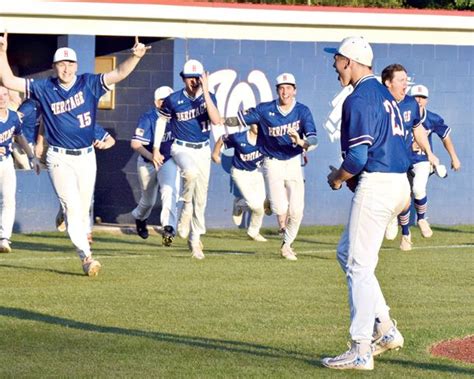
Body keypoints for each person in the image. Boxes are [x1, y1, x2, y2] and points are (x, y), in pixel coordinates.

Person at [0, 32, 149, 276]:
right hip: (59, 157)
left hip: (86, 156)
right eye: (61, 63)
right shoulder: (44, 87)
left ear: (76, 66)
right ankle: (86, 257)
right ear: (54, 66)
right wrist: (2, 52)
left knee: (80, 208)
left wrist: (136, 57)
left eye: (70, 64)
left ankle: (63, 211)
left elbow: (119, 74)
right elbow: (7, 79)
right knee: (73, 209)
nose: (66, 68)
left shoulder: (88, 83)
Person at [323, 36, 412, 370]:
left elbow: (358, 156)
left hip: (378, 183)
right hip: (398, 182)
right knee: (348, 255)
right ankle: (385, 329)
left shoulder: (359, 98)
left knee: (359, 267)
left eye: (337, 60)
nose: (334, 65)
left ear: (350, 61)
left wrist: (337, 178)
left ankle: (361, 348)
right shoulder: (386, 95)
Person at [224, 73, 317, 261]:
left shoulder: (302, 111)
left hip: (293, 161)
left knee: (297, 211)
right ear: (277, 91)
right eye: (281, 88)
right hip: (272, 161)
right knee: (279, 207)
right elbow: (239, 120)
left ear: (295, 89)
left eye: (289, 87)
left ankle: (287, 245)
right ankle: (270, 203)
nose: (285, 92)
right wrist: (220, 118)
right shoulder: (265, 110)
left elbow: (314, 139)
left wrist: (300, 141)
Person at [152, 60, 221, 260]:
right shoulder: (173, 99)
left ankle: (195, 239)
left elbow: (216, 120)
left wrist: (206, 92)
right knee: (189, 173)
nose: (194, 81)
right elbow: (161, 121)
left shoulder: (209, 97)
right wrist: (156, 148)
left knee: (202, 198)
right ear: (183, 78)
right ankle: (185, 207)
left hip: (203, 149)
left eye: (197, 77)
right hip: (180, 146)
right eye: (190, 77)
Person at [381, 64, 439, 251]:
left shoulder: (410, 104)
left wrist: (429, 153)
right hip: (383, 160)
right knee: (392, 198)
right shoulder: (378, 102)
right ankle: (391, 219)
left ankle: (406, 232)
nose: (405, 84)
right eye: (401, 80)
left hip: (404, 159)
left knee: (406, 196)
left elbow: (417, 129)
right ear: (388, 83)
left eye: (406, 80)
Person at [409, 84, 461, 237]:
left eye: (423, 97)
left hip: (422, 159)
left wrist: (454, 157)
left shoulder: (432, 118)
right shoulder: (401, 115)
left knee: (418, 189)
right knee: (402, 197)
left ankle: (422, 219)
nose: (419, 100)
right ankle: (399, 227)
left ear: (427, 100)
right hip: (402, 160)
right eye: (416, 97)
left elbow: (445, 137)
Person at [131, 85, 180, 247]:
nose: (166, 103)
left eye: (169, 100)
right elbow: (135, 143)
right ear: (156, 103)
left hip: (168, 160)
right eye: (162, 100)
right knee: (148, 201)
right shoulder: (148, 117)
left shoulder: (177, 117)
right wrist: (152, 156)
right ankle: (139, 217)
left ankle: (168, 228)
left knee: (168, 191)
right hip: (148, 162)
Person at [0, 86, 39, 253]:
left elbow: (19, 135)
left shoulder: (13, 116)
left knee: (9, 200)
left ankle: (4, 238)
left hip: (6, 161)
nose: (2, 98)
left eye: (5, 94)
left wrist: (32, 156)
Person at [212, 124, 267, 242]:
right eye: (255, 123)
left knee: (260, 207)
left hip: (256, 172)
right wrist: (215, 154)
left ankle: (253, 232)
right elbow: (222, 138)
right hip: (239, 172)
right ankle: (239, 204)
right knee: (255, 205)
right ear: (250, 123)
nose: (258, 126)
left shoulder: (266, 138)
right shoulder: (239, 137)